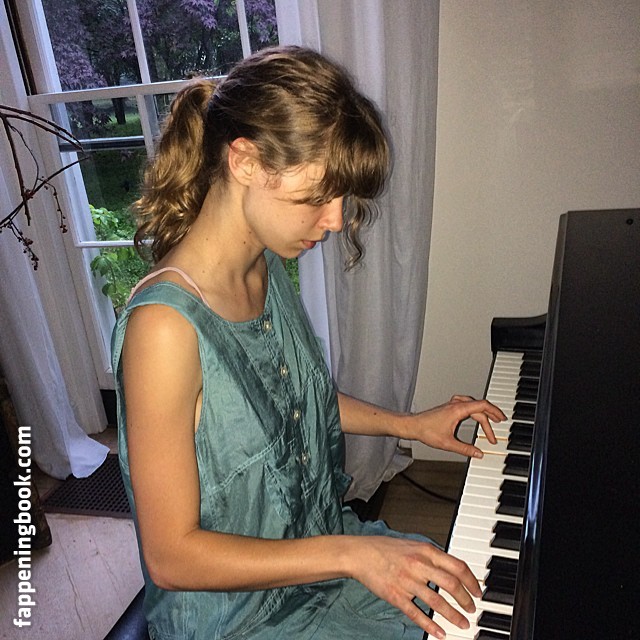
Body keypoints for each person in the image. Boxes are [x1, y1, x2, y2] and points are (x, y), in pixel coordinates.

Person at [111, 46, 506, 640]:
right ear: (244, 161)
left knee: (476, 600)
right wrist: (351, 554)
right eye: (318, 198)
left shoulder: (264, 266)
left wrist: (410, 425)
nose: (337, 220)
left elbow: (293, 403)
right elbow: (171, 557)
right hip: (234, 619)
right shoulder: (164, 328)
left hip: (315, 561)